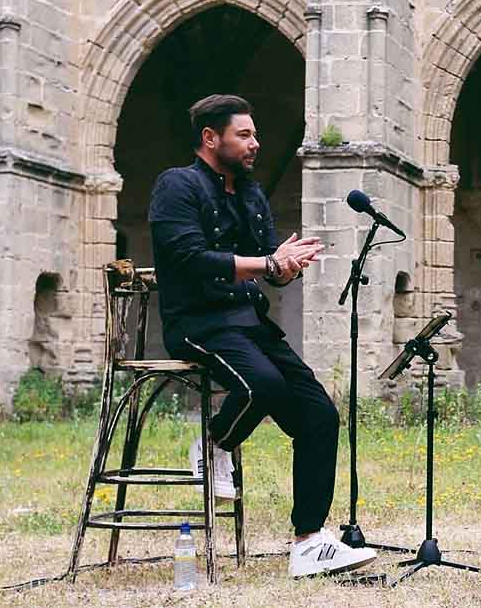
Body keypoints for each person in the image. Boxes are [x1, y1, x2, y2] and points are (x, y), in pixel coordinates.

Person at [149, 94, 377, 577]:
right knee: (262, 384)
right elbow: (189, 260)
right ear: (211, 138)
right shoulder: (177, 186)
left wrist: (285, 266)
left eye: (255, 134)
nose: (256, 143)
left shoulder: (250, 194)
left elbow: (264, 267)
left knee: (319, 415)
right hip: (196, 323)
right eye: (244, 134)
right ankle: (214, 445)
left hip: (249, 323)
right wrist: (267, 263)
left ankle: (309, 542)